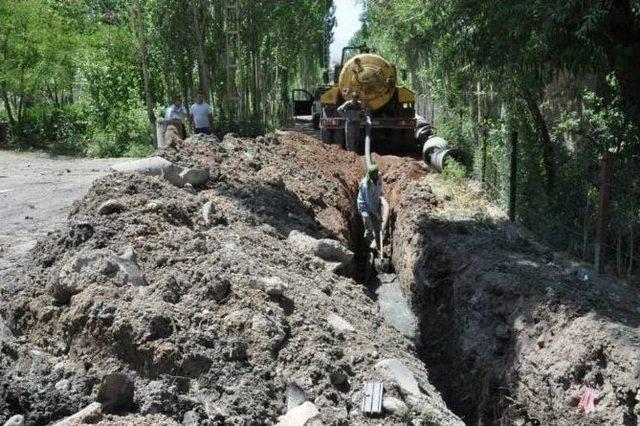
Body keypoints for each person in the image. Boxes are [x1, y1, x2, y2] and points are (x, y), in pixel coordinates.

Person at [357, 163, 383, 250]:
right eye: (375, 174)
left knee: (376, 225)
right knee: (369, 228)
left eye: (377, 173)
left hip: (374, 203)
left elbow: (380, 185)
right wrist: (377, 215)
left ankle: (377, 242)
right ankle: (367, 247)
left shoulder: (379, 175)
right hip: (364, 206)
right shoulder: (366, 185)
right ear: (371, 175)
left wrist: (380, 194)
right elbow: (369, 202)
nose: (377, 175)